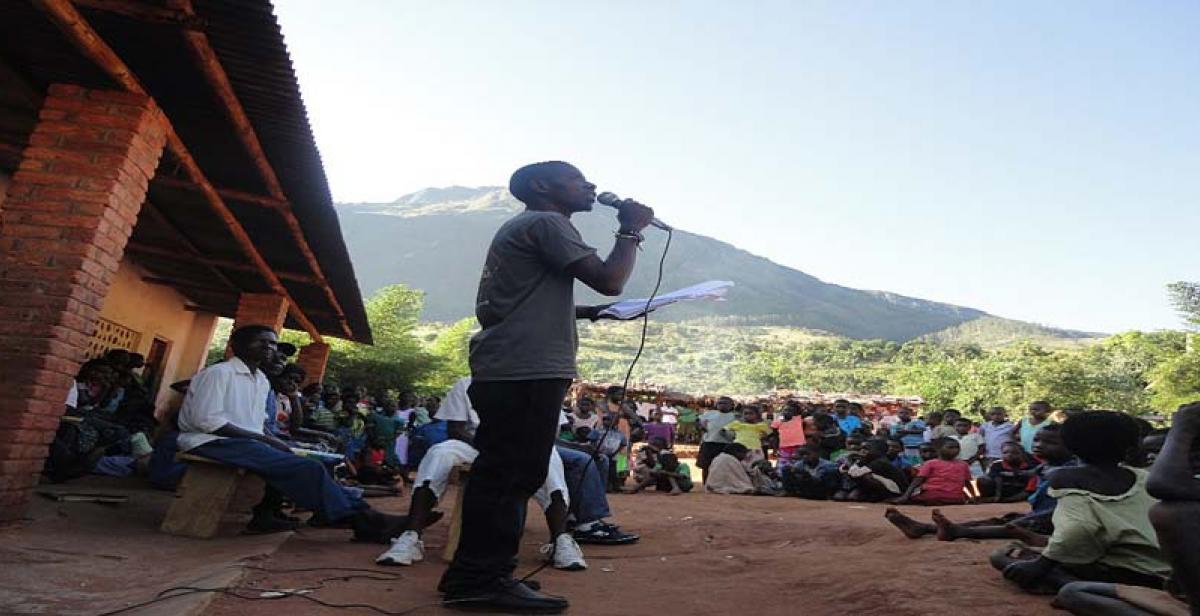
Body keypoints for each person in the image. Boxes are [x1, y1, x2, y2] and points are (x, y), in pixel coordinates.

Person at [438, 161, 655, 613]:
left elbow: (518, 301)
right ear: (541, 186)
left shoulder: (529, 227)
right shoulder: (546, 222)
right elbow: (610, 277)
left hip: (512, 364)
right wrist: (630, 230)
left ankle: (480, 573)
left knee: (507, 471)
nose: (591, 185)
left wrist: (588, 313)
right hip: (525, 367)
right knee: (511, 474)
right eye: (577, 179)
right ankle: (479, 580)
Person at [177, 324, 403, 538]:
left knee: (303, 461)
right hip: (210, 441)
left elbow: (257, 422)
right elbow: (206, 420)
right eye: (261, 343)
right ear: (237, 345)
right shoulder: (219, 373)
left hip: (244, 443)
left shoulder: (261, 381)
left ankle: (362, 516)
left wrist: (272, 440)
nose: (269, 348)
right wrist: (265, 440)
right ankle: (363, 520)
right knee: (304, 467)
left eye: (272, 344)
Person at [377, 377, 586, 571]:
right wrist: (491, 447)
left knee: (549, 456)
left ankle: (560, 539)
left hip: (524, 446)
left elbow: (551, 432)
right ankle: (411, 536)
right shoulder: (467, 383)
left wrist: (517, 446)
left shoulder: (539, 383)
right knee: (439, 453)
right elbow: (456, 430)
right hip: (476, 445)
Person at [993, 411, 1172, 595]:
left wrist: (1041, 565)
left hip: (1125, 571)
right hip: (1170, 568)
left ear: (1068, 444)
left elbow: (1078, 529)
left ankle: (1073, 586)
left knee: (1004, 554)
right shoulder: (1145, 477)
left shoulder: (1066, 477)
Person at [884, 424, 1072, 544]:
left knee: (1015, 525)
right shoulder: (1044, 467)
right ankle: (927, 528)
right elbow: (1023, 473)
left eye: (1050, 442)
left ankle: (958, 531)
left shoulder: (1069, 470)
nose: (1038, 445)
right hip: (1043, 514)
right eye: (1037, 440)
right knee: (1006, 519)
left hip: (1058, 519)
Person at [895, 438, 972, 505]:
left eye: (957, 447)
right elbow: (968, 483)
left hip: (934, 495)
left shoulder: (930, 463)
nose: (955, 450)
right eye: (951, 447)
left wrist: (905, 496)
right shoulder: (963, 464)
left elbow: (917, 481)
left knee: (914, 499)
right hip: (956, 498)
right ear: (938, 449)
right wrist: (972, 496)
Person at [833, 438, 910, 502]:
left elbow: (855, 473)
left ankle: (887, 497)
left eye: (867, 449)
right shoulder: (869, 459)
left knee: (867, 476)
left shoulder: (880, 462)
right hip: (888, 485)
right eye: (862, 449)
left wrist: (849, 459)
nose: (862, 451)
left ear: (878, 450)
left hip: (898, 490)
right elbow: (846, 470)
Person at [697, 396, 738, 483]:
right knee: (706, 466)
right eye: (720, 403)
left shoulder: (735, 416)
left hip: (726, 444)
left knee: (724, 466)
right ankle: (706, 484)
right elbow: (699, 421)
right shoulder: (710, 413)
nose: (722, 405)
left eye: (725, 403)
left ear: (731, 405)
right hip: (709, 442)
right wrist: (703, 428)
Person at [771, 403, 807, 469]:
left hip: (799, 445)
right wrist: (782, 418)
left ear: (795, 413)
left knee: (799, 461)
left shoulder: (798, 418)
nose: (787, 412)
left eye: (791, 411)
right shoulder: (780, 418)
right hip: (785, 445)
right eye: (785, 410)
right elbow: (774, 427)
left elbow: (805, 413)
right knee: (784, 462)